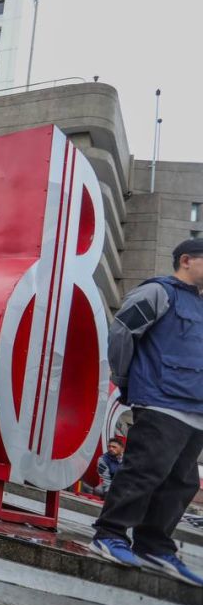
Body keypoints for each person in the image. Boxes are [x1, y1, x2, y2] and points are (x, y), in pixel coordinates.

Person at [89, 238, 203, 586]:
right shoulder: (157, 293)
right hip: (160, 401)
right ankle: (109, 534)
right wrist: (125, 381)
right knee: (144, 471)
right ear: (186, 260)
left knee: (182, 481)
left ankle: (154, 544)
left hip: (195, 409)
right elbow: (123, 331)